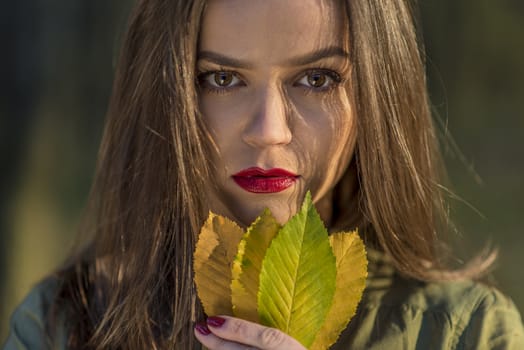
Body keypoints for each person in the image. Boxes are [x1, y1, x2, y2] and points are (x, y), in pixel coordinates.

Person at [4, 0, 524, 349]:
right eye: (223, 79)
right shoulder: (62, 326)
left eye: (316, 79)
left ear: (378, 92)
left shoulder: (467, 332)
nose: (270, 131)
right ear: (165, 92)